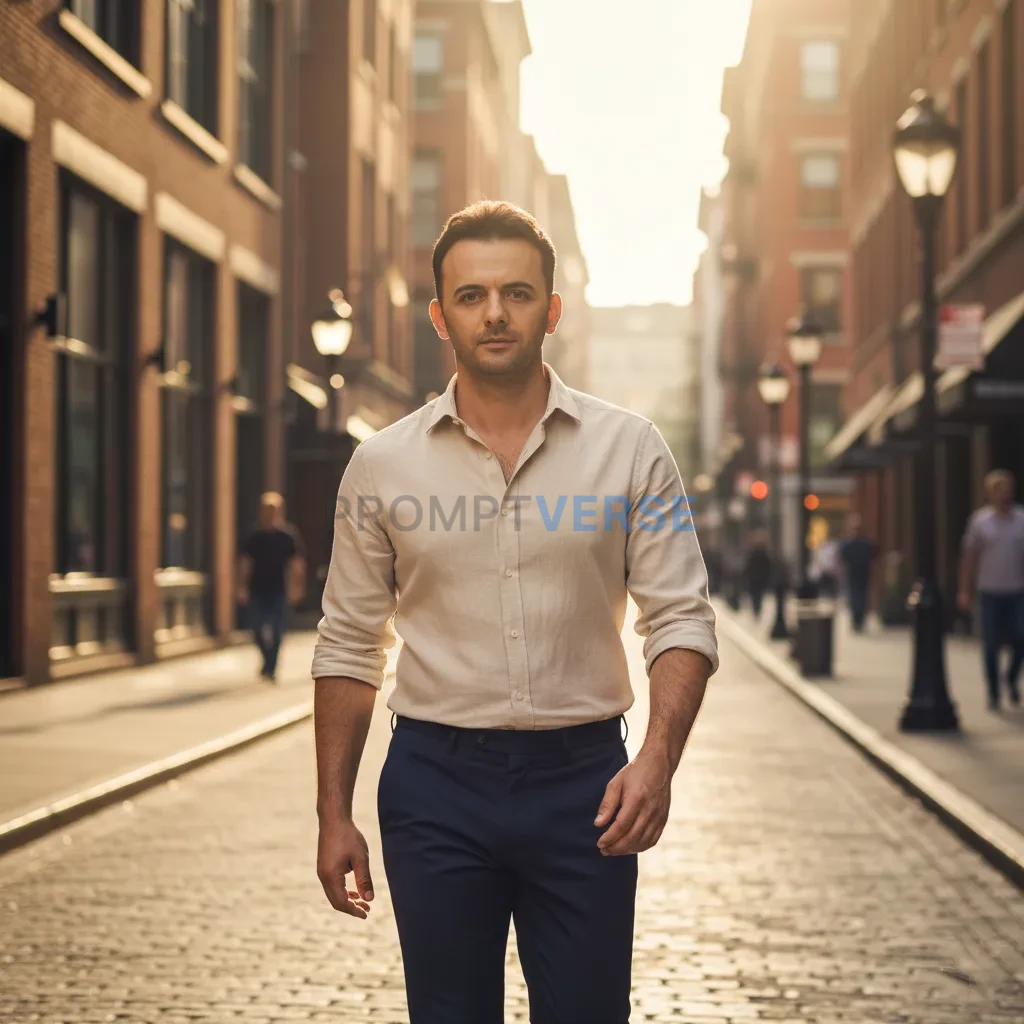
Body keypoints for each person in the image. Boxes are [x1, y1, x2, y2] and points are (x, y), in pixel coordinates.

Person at [311, 201, 718, 1023]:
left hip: (585, 791)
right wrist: (333, 812)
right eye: (471, 296)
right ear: (440, 316)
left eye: (517, 293)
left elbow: (680, 618)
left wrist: (658, 761)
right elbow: (351, 646)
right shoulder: (380, 465)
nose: (494, 313)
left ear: (552, 309)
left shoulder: (631, 449)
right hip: (433, 788)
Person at [958, 469, 1024, 711]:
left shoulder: (1021, 519)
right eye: (998, 489)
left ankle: (1012, 678)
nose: (1003, 494)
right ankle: (994, 692)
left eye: (1007, 488)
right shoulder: (980, 521)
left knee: (1021, 637)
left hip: (1017, 590)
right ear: (990, 493)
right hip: (989, 591)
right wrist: (964, 590)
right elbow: (969, 557)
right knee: (990, 644)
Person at [238, 492, 306, 682]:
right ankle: (267, 662)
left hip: (279, 589)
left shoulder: (287, 535)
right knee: (256, 629)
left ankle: (271, 668)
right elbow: (245, 563)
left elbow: (296, 564)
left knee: (277, 630)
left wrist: (296, 587)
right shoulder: (254, 536)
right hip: (257, 589)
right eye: (267, 510)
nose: (270, 514)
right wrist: (242, 587)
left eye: (274, 510)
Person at [839, 514, 879, 633]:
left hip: (861, 573)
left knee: (859, 596)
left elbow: (874, 553)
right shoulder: (856, 544)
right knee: (856, 596)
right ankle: (857, 620)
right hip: (856, 573)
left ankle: (859, 620)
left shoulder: (859, 544)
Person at [743, 529, 772, 619]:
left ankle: (756, 610)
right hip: (758, 579)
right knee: (757, 596)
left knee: (756, 596)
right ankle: (757, 610)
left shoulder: (754, 553)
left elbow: (748, 567)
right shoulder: (761, 553)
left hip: (756, 579)